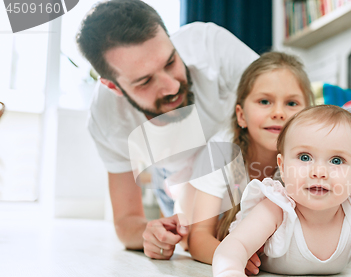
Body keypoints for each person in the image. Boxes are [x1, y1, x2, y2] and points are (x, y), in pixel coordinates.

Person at [76, 0, 258, 259]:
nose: (172, 86)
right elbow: (127, 222)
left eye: (170, 61)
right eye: (145, 81)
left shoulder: (210, 45)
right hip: (175, 178)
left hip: (246, 159)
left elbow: (287, 102)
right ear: (113, 87)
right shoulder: (106, 119)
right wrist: (149, 233)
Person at [199, 105, 351, 277]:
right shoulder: (277, 208)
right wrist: (230, 271)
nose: (319, 172)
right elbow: (234, 245)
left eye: (336, 160)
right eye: (305, 157)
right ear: (283, 167)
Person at [186, 52, 314, 275]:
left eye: (291, 103)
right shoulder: (220, 151)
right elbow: (198, 237)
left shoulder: (312, 159)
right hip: (190, 202)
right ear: (241, 115)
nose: (278, 113)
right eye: (265, 101)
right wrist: (232, 256)